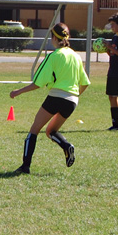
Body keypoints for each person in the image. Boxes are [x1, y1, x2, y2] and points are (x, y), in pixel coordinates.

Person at [9, 22, 90, 174]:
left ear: (54, 37)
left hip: (56, 97)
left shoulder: (53, 56)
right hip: (72, 100)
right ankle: (67, 146)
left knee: (34, 130)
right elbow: (85, 83)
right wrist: (74, 95)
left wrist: (18, 91)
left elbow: (38, 83)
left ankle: (25, 166)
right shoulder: (76, 56)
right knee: (51, 131)